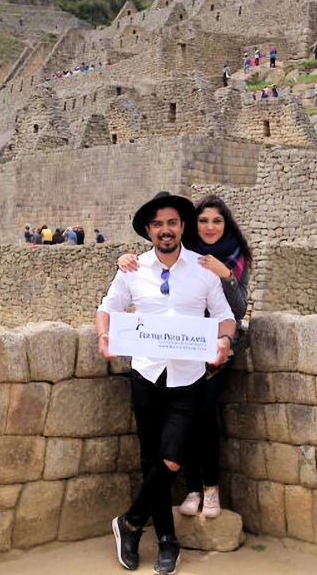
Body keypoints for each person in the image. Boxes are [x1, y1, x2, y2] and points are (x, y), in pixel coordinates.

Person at [99, 192, 236, 575]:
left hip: (188, 378)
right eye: (157, 224)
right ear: (148, 230)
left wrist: (223, 341)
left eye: (172, 223)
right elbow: (108, 308)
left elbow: (224, 316)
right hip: (146, 372)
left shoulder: (204, 268)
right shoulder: (132, 269)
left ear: (182, 227)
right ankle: (165, 540)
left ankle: (129, 522)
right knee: (150, 459)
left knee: (172, 458)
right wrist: (103, 337)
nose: (165, 230)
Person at [116, 195, 251, 521]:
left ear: (226, 224)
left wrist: (227, 276)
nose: (209, 227)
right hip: (178, 355)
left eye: (216, 221)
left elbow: (238, 309)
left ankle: (210, 488)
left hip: (217, 349)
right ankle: (191, 488)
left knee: (204, 416)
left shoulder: (234, 257)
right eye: (203, 221)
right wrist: (124, 260)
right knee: (186, 424)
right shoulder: (187, 257)